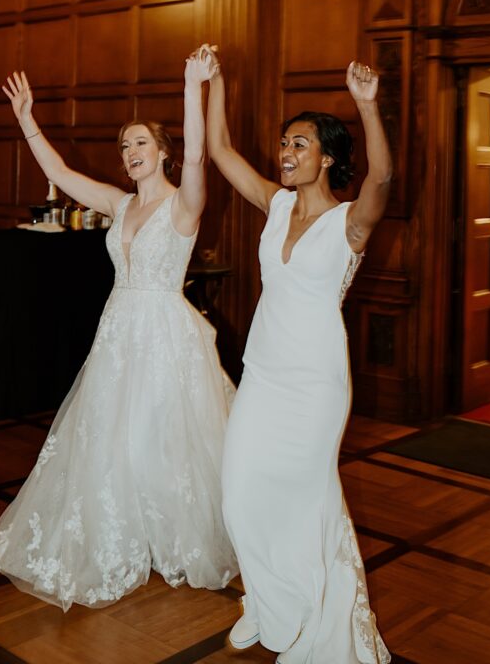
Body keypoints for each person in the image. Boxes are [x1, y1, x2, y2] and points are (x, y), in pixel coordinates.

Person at [0, 50, 238, 609]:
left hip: (164, 332)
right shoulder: (119, 205)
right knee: (111, 437)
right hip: (117, 331)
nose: (130, 152)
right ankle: (123, 533)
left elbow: (199, 156)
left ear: (162, 152)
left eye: (140, 142)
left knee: (161, 436)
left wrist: (193, 86)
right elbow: (59, 175)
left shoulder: (183, 206)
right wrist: (28, 120)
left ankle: (169, 533)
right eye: (125, 146)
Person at [199, 44, 391, 664]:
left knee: (307, 500)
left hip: (315, 385)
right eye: (285, 143)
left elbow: (383, 178)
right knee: (239, 493)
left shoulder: (349, 225)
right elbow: (222, 150)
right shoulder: (275, 204)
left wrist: (367, 107)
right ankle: (268, 601)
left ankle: (315, 618)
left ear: (328, 158)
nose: (285, 153)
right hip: (264, 374)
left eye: (300, 144)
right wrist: (217, 81)